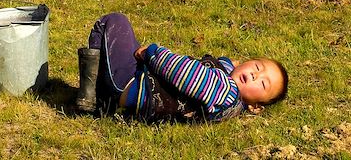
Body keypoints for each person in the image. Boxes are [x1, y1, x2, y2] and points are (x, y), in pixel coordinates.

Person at [74, 13, 289, 123]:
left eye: (262, 83)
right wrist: (225, 63)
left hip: (130, 83)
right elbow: (214, 75)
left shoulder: (226, 90)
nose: (254, 74)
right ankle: (100, 93)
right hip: (137, 93)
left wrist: (154, 53)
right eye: (258, 67)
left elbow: (185, 73)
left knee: (113, 22)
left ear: (255, 107)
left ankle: (94, 96)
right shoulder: (227, 100)